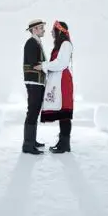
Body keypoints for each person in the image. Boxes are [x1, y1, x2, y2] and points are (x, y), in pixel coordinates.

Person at [36, 20, 74, 153]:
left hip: (63, 81)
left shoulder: (66, 44)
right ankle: (63, 143)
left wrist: (44, 65)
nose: (51, 32)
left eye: (53, 30)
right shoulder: (60, 45)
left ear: (59, 31)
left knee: (64, 112)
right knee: (62, 112)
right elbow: (56, 63)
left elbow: (60, 63)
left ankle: (65, 144)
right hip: (58, 80)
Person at [22, 19, 47, 154]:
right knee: (32, 111)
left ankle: (32, 141)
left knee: (35, 110)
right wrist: (45, 66)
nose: (43, 29)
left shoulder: (36, 42)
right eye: (41, 27)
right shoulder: (31, 43)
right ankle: (28, 145)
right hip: (33, 82)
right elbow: (34, 63)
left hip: (37, 82)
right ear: (35, 29)